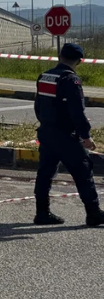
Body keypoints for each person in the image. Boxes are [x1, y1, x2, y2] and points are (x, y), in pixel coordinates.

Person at [33, 43, 104, 226]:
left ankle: (42, 213)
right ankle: (94, 213)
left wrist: (46, 125)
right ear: (79, 61)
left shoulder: (45, 76)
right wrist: (85, 136)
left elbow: (38, 106)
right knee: (83, 171)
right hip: (66, 136)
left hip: (47, 132)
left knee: (45, 173)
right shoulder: (70, 80)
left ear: (59, 56)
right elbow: (77, 111)